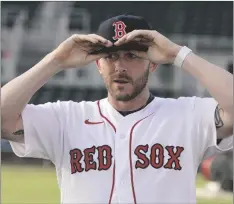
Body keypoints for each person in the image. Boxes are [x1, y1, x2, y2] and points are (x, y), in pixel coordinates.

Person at [1, 14, 233, 204]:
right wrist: (56, 60)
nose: (120, 66)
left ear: (152, 63)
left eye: (132, 55)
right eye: (111, 56)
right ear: (98, 64)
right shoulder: (66, 119)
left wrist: (177, 54)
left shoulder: (187, 116)